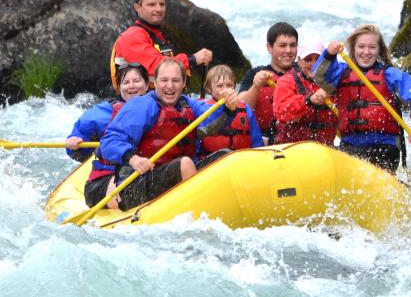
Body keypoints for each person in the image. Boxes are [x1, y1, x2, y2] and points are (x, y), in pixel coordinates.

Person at [86, 58, 239, 211]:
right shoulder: (142, 105)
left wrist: (228, 108)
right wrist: (133, 158)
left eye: (175, 80)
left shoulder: (188, 104)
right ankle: (200, 211)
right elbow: (110, 140)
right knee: (185, 164)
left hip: (176, 173)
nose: (170, 86)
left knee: (226, 156)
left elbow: (211, 119)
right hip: (135, 183)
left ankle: (225, 205)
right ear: (155, 83)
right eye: (164, 80)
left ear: (184, 83)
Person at [313, 24, 411, 172]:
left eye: (372, 47)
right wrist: (329, 54)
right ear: (353, 48)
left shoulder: (391, 75)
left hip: (384, 147)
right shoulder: (341, 72)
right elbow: (319, 76)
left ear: (379, 50)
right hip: (349, 145)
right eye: (361, 47)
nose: (366, 52)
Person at [110, 0, 213, 89]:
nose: (159, 9)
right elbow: (158, 68)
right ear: (138, 8)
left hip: (161, 96)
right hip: (140, 98)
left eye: (162, 4)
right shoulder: (131, 36)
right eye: (152, 5)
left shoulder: (155, 35)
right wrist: (192, 59)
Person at [64, 63, 149, 162]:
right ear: (119, 88)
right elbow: (79, 147)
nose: (131, 86)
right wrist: (75, 143)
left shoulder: (159, 106)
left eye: (136, 81)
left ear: (147, 85)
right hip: (115, 167)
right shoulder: (102, 113)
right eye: (126, 82)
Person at [238, 22, 298, 143]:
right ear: (270, 47)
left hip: (297, 142)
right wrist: (256, 87)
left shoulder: (305, 74)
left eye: (292, 45)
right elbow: (240, 106)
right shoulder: (254, 73)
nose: (288, 50)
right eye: (282, 45)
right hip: (263, 141)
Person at [272, 40, 338, 145]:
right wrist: (309, 100)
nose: (314, 64)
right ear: (299, 61)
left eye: (318, 59)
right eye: (308, 59)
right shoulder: (286, 82)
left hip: (325, 148)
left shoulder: (333, 83)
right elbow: (281, 114)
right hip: (293, 148)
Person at [198, 65, 264, 160]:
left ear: (234, 86)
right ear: (209, 88)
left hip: (242, 161)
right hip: (212, 163)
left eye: (229, 85)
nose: (225, 89)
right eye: (220, 86)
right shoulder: (201, 110)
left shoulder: (246, 109)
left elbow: (257, 141)